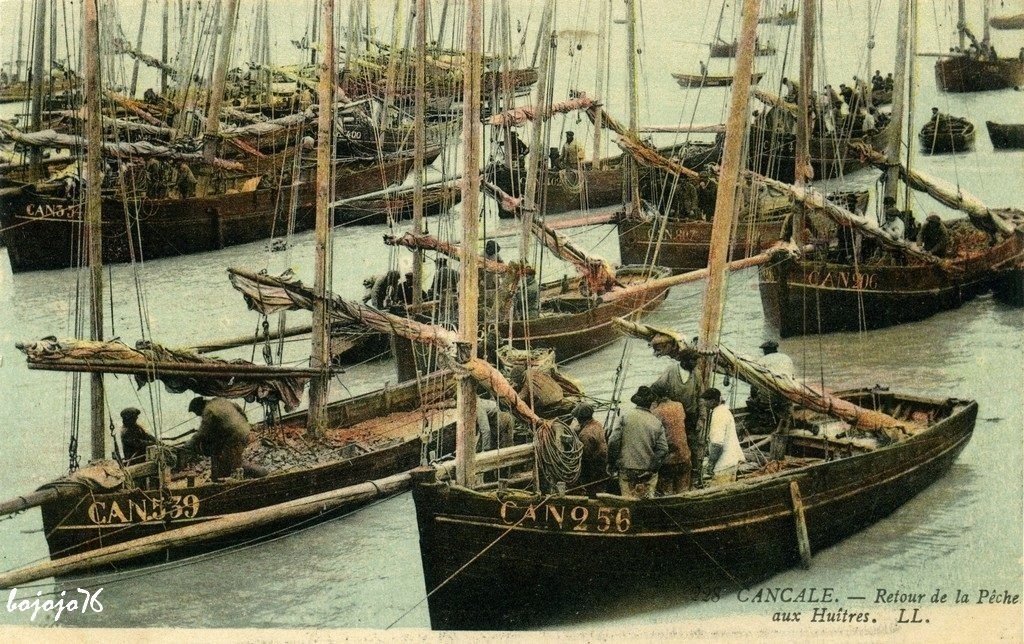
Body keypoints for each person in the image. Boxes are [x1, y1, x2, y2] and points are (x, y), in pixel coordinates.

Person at [607, 386, 668, 499]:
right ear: (650, 403)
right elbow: (663, 450)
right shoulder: (656, 422)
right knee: (646, 501)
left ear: (636, 402)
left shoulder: (625, 417)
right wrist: (652, 469)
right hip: (647, 472)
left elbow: (613, 442)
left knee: (628, 500)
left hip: (627, 469)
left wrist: (611, 464)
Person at [179, 397, 255, 480]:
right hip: (244, 431)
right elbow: (240, 411)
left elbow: (203, 432)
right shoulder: (220, 400)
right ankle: (236, 476)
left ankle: (223, 480)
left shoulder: (208, 410)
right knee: (235, 459)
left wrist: (189, 444)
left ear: (199, 407)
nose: (197, 415)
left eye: (196, 412)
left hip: (234, 436)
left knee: (221, 456)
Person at [650, 382, 690, 495]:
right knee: (683, 492)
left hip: (668, 460)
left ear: (655, 397)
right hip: (684, 455)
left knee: (667, 493)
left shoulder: (656, 412)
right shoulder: (679, 406)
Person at [747, 340, 795, 430]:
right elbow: (792, 378)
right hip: (788, 395)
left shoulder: (762, 361)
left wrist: (753, 397)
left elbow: (755, 382)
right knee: (785, 407)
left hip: (770, 398)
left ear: (766, 350)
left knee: (752, 403)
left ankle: (767, 422)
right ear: (776, 349)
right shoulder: (787, 358)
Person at [701, 388, 744, 485]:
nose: (704, 404)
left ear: (712, 401)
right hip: (732, 460)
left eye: (706, 401)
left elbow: (717, 444)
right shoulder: (725, 410)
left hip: (724, 464)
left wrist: (711, 465)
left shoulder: (718, 415)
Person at [571, 402, 609, 492]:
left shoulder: (585, 435)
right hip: (603, 463)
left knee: (591, 490)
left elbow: (584, 457)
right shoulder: (597, 424)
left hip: (593, 468)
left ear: (579, 418)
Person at [429, 256, 459, 327]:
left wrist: (431, 294)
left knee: (443, 313)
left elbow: (433, 287)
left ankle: (445, 327)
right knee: (453, 312)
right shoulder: (455, 272)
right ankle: (453, 325)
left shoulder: (439, 273)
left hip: (445, 295)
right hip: (454, 295)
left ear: (438, 264)